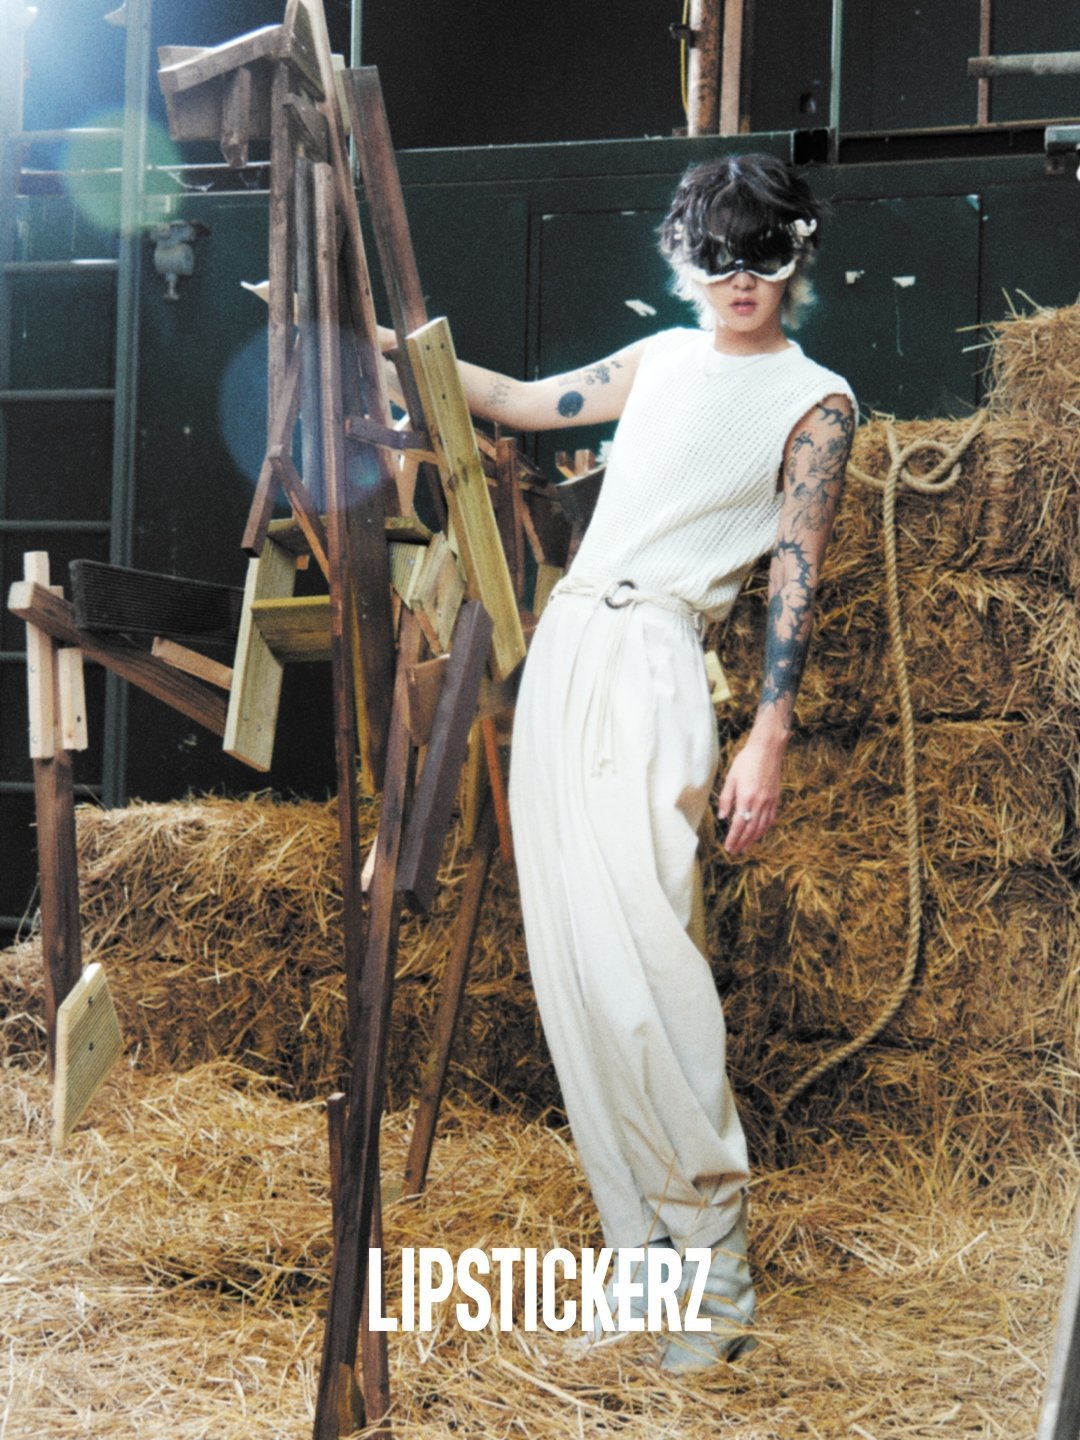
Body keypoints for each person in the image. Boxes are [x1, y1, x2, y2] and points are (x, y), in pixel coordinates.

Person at [380, 152, 855, 1370]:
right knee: (576, 967)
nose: (740, 278)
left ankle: (716, 1272)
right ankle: (640, 1262)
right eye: (716, 254)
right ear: (683, 258)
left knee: (647, 960)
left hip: (657, 657)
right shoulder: (659, 361)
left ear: (797, 256)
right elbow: (517, 400)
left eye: (764, 253)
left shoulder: (817, 402)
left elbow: (794, 571)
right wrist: (381, 348)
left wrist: (769, 732)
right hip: (567, 647)